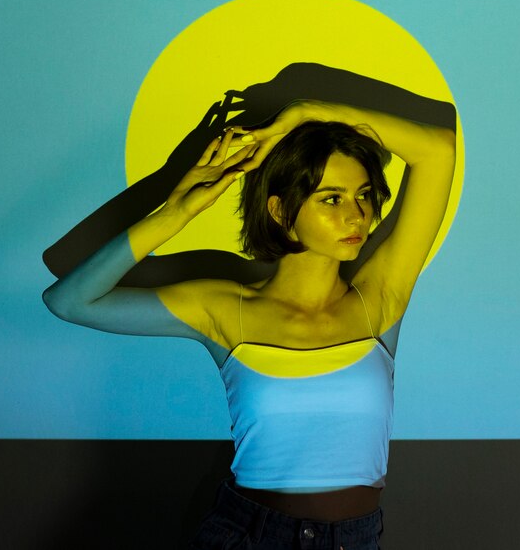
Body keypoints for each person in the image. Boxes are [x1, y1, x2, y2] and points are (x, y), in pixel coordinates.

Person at [43, 91, 456, 549]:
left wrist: (310, 112)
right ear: (280, 211)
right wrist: (175, 213)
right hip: (246, 537)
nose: (355, 215)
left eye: (362, 195)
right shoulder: (223, 308)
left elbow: (437, 151)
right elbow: (70, 301)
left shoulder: (379, 299)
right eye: (331, 198)